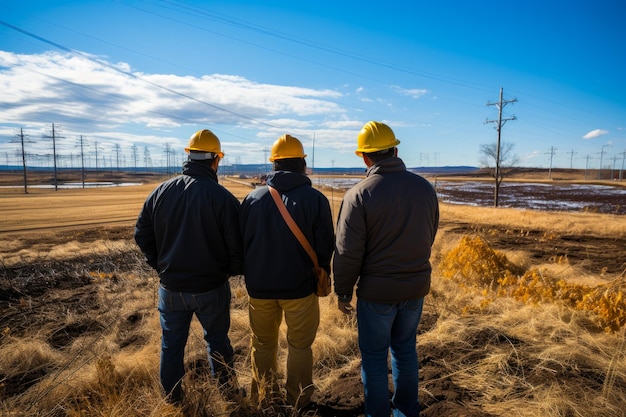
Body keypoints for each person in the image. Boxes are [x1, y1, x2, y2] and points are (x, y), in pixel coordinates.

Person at [333, 121, 439, 417]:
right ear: (395, 150)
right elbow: (430, 235)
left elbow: (346, 252)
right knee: (405, 350)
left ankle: (377, 413)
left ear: (365, 157)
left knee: (375, 358)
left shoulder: (359, 195)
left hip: (376, 294)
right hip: (415, 289)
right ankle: (406, 411)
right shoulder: (424, 189)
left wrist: (343, 291)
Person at [134, 129, 243, 404]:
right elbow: (237, 246)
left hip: (171, 287)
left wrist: (160, 264)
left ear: (189, 157)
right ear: (216, 160)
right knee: (217, 341)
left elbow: (141, 234)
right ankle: (228, 396)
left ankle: (172, 402)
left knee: (171, 347)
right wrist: (227, 270)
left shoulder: (161, 192)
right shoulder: (223, 198)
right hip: (211, 287)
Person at [240, 134, 334, 409]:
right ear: (302, 164)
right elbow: (326, 245)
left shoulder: (251, 199)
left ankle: (263, 400)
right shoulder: (316, 200)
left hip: (259, 291)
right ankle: (299, 403)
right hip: (300, 289)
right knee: (300, 347)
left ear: (274, 165)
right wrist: (322, 272)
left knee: (263, 345)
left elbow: (239, 243)